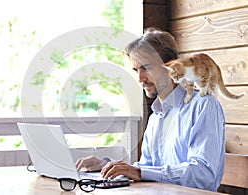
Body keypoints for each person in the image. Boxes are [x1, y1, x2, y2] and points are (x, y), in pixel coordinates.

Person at [75, 27, 226, 192]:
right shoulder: (156, 116)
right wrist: (107, 166)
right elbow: (148, 170)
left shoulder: (204, 105)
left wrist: (139, 171)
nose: (140, 78)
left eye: (146, 68)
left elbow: (203, 175)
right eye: (136, 70)